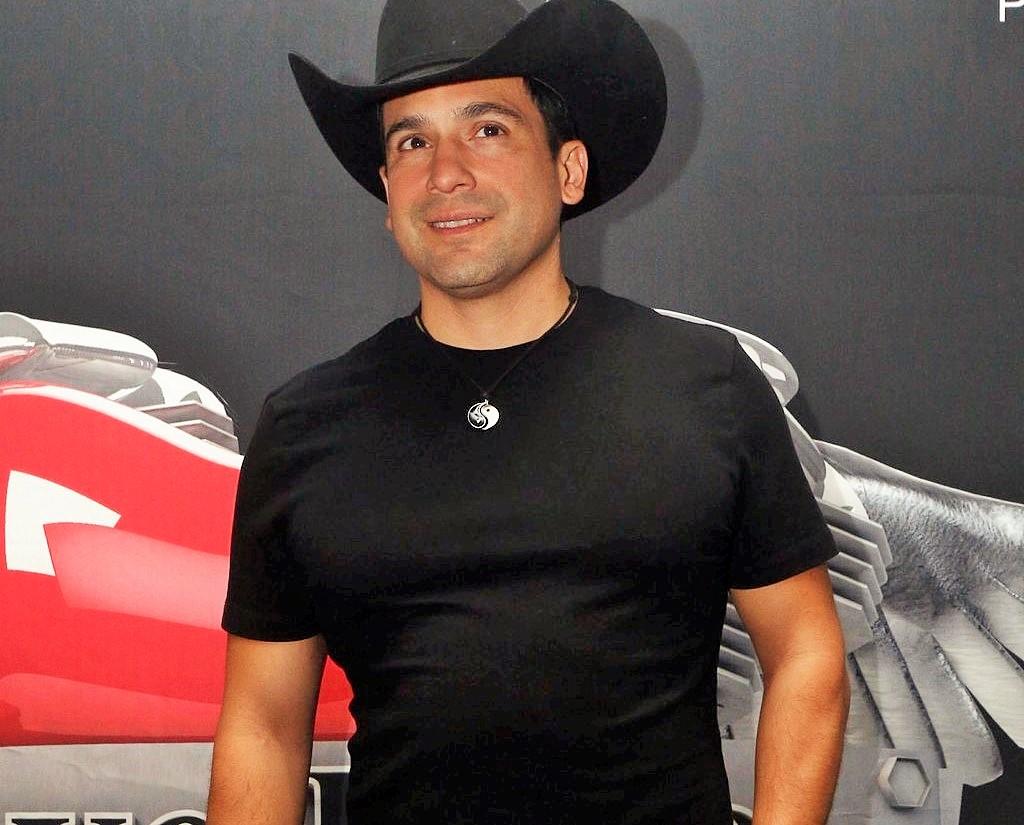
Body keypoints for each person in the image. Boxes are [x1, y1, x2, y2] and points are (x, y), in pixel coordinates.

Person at [207, 0, 850, 823]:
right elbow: (262, 724)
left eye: (487, 129)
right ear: (387, 192)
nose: (445, 173)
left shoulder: (706, 385)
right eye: (411, 142)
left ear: (568, 170)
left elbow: (805, 653)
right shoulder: (305, 427)